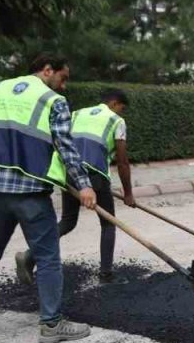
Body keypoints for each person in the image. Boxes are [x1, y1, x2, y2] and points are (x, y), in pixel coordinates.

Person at [0, 54, 96, 343]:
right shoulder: (53, 101)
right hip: (30, 193)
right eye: (62, 78)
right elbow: (66, 149)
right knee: (48, 257)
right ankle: (51, 325)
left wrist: (6, 148)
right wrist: (84, 186)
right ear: (48, 70)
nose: (63, 86)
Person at [18, 89, 135, 285]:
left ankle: (29, 256)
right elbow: (122, 161)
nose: (120, 113)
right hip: (95, 175)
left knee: (68, 221)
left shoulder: (77, 114)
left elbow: (59, 140)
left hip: (70, 172)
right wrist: (128, 194)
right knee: (108, 224)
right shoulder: (116, 121)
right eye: (121, 109)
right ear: (114, 103)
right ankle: (106, 275)